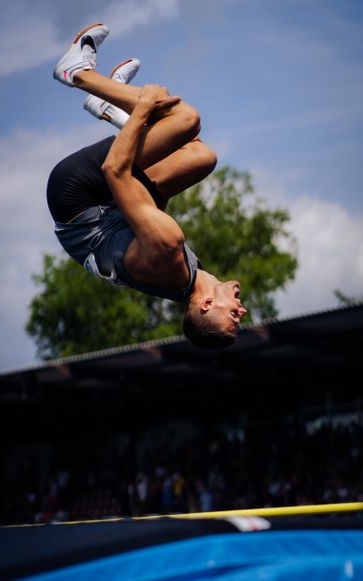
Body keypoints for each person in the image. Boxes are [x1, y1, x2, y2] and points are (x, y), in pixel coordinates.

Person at [48, 23, 247, 349]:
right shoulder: (184, 276)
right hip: (108, 211)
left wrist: (143, 109)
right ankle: (109, 108)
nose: (243, 309)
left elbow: (115, 171)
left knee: (184, 120)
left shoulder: (169, 252)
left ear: (207, 304)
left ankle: (77, 74)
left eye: (234, 316)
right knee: (200, 156)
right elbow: (143, 211)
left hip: (78, 195)